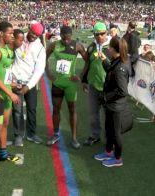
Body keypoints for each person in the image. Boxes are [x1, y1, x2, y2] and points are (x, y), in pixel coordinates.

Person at [45, 26, 88, 149]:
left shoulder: (77, 46)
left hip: (71, 84)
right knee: (56, 109)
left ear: (71, 36)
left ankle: (74, 138)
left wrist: (80, 76)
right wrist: (48, 73)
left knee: (72, 110)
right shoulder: (54, 45)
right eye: (64, 39)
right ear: (61, 35)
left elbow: (87, 61)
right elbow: (44, 58)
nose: (66, 41)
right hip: (58, 82)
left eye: (68, 39)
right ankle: (56, 134)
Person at [0, 22, 21, 173]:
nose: (12, 36)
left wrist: (11, 83)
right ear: (1, 33)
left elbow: (4, 71)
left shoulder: (8, 49)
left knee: (5, 123)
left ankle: (3, 154)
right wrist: (9, 93)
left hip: (6, 91)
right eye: (9, 33)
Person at [94, 37, 132, 167]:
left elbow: (122, 91)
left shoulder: (121, 66)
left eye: (109, 47)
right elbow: (111, 70)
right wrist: (104, 60)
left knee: (115, 134)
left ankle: (118, 158)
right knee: (109, 129)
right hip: (112, 105)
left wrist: (106, 97)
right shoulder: (119, 60)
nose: (108, 48)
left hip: (116, 106)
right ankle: (108, 151)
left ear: (114, 49)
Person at [11, 22, 46, 146]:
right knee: (17, 110)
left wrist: (28, 86)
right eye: (32, 33)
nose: (33, 36)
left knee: (32, 109)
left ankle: (32, 134)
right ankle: (18, 135)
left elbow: (39, 69)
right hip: (15, 82)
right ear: (29, 29)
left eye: (37, 35)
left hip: (29, 84)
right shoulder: (19, 38)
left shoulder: (40, 48)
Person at [81, 22, 111, 146]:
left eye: (102, 34)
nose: (99, 36)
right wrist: (84, 80)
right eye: (96, 34)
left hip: (107, 87)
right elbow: (87, 64)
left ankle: (110, 138)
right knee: (94, 114)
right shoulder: (92, 46)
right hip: (93, 85)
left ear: (106, 33)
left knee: (108, 115)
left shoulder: (112, 46)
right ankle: (95, 135)